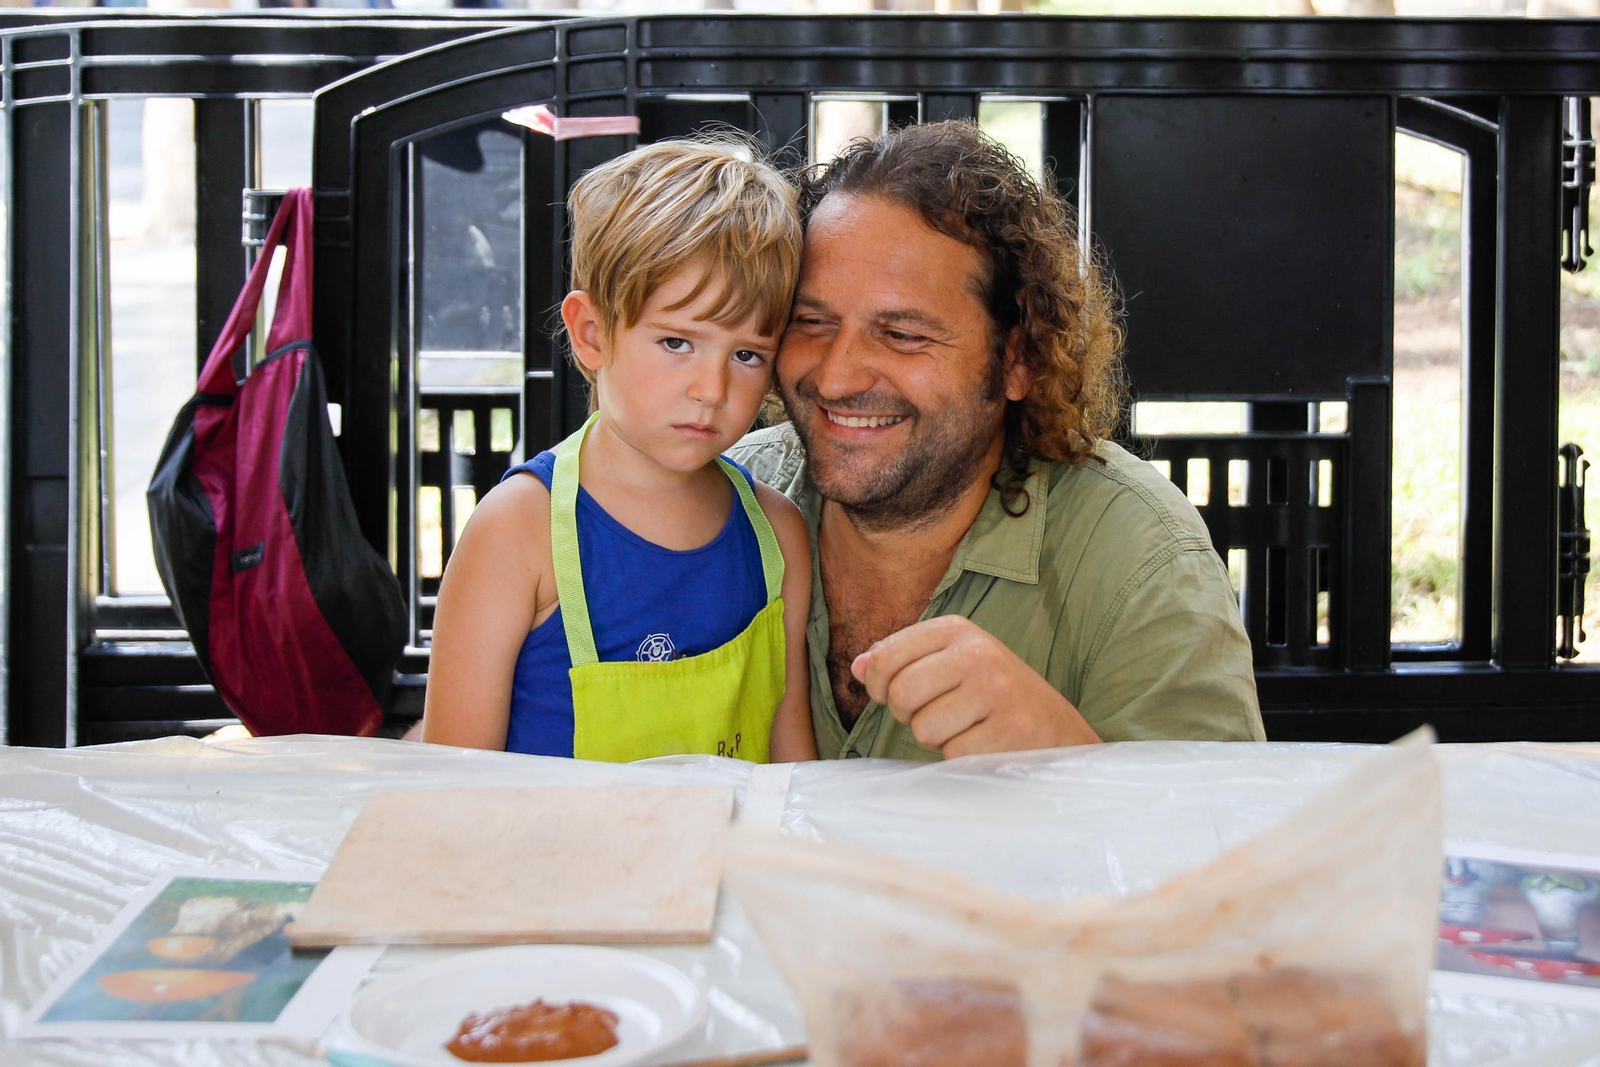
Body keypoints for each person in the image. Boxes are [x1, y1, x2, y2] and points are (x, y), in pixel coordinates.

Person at [728, 120, 1265, 761]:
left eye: (903, 335)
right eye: (812, 322)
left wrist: (1067, 756)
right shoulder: (721, 500)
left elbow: (1214, 819)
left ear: (1018, 358)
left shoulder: (1140, 559)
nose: (836, 377)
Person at [421, 136, 817, 763]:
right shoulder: (517, 531)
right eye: (677, 343)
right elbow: (451, 782)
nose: (711, 389)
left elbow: (791, 765)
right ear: (591, 333)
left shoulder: (777, 534)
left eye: (746, 354)